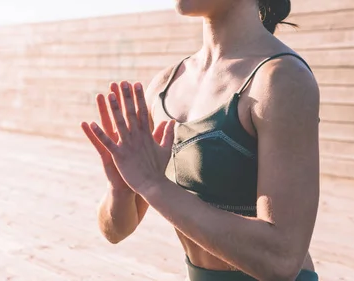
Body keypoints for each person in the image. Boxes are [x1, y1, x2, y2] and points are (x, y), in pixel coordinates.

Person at [80, 0, 320, 280]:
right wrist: (120, 189)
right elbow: (116, 231)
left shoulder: (281, 78)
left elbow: (281, 260)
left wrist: (152, 184)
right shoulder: (165, 84)